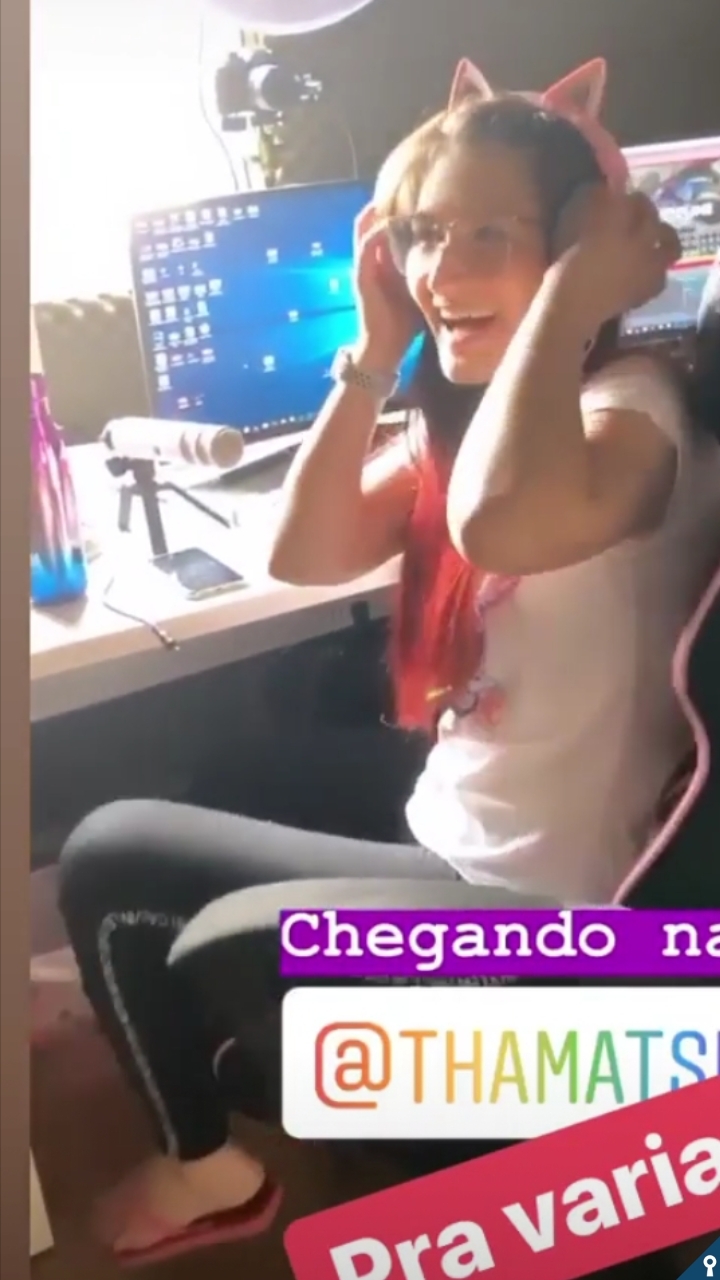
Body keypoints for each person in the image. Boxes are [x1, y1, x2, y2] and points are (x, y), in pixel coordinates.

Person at [57, 86, 720, 1266]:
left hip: (543, 897)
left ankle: (210, 1170)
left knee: (110, 853)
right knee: (234, 765)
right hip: (471, 809)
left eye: (488, 233)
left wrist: (575, 295)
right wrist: (372, 356)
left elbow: (503, 521)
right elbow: (301, 551)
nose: (439, 267)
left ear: (578, 241)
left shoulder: (635, 414)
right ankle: (290, 1053)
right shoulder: (481, 414)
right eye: (421, 232)